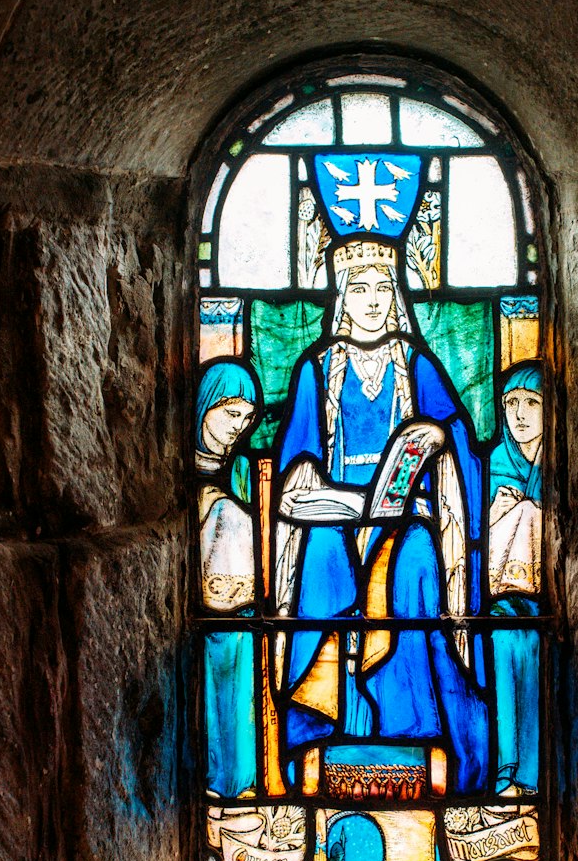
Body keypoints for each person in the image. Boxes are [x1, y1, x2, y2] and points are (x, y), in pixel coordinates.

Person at [273, 234, 488, 792]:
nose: (372, 299)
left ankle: (408, 729)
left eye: (383, 287)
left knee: (416, 554)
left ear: (396, 295)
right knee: (320, 558)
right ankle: (320, 737)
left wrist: (439, 436)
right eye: (359, 286)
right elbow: (293, 486)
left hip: (405, 526)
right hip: (333, 525)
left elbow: (463, 446)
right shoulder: (315, 373)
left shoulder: (417, 367)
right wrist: (360, 505)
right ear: (342, 295)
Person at [196, 360, 263, 799]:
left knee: (240, 701)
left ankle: (241, 785)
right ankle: (213, 782)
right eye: (229, 412)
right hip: (201, 617)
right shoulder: (178, 465)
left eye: (245, 417)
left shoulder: (244, 469)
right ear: (203, 408)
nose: (237, 426)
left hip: (242, 614)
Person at [488, 363, 543, 796]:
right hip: (501, 605)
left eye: (532, 403)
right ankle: (505, 771)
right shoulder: (491, 466)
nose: (519, 414)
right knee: (504, 651)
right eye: (511, 403)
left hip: (545, 608)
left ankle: (533, 776)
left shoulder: (560, 464)